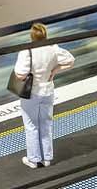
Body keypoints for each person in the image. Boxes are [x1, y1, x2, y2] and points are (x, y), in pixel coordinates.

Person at [13, 22, 75, 169]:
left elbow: (20, 74)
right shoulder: (53, 48)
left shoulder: (27, 51)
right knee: (46, 124)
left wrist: (27, 75)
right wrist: (55, 71)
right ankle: (47, 158)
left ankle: (34, 160)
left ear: (32, 36)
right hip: (48, 91)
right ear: (45, 34)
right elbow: (71, 61)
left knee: (31, 125)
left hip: (32, 94)